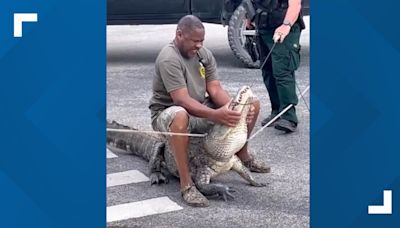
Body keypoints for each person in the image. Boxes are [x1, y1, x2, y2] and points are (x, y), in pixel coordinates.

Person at [149, 15, 270, 207]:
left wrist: (234, 110)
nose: (199, 45)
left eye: (202, 41)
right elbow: (181, 99)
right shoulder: (168, 58)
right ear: (179, 35)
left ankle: (243, 154)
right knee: (180, 116)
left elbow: (214, 89)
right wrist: (216, 114)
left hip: (199, 106)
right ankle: (186, 184)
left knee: (252, 103)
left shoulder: (203, 54)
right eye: (195, 41)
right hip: (169, 111)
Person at [252, 0, 305, 132]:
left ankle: (289, 117)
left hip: (285, 28)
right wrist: (250, 18)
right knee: (267, 71)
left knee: (283, 71)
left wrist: (286, 26)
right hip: (263, 27)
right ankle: (277, 111)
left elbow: (295, 4)